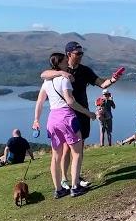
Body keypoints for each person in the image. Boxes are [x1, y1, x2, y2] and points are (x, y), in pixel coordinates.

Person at [40, 41, 122, 190]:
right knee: (65, 148)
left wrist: (112, 80)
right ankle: (65, 179)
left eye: (82, 53)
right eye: (78, 53)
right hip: (67, 114)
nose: (80, 56)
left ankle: (75, 178)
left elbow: (101, 84)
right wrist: (61, 73)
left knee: (79, 147)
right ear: (69, 54)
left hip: (82, 112)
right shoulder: (62, 68)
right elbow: (43, 74)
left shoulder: (84, 70)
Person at [33, 52, 97, 198]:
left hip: (52, 120)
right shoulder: (64, 79)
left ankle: (59, 190)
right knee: (77, 153)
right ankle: (75, 187)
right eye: (65, 60)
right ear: (60, 63)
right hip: (67, 118)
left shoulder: (47, 82)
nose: (68, 61)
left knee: (56, 156)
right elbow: (70, 101)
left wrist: (36, 120)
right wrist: (88, 113)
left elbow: (40, 102)